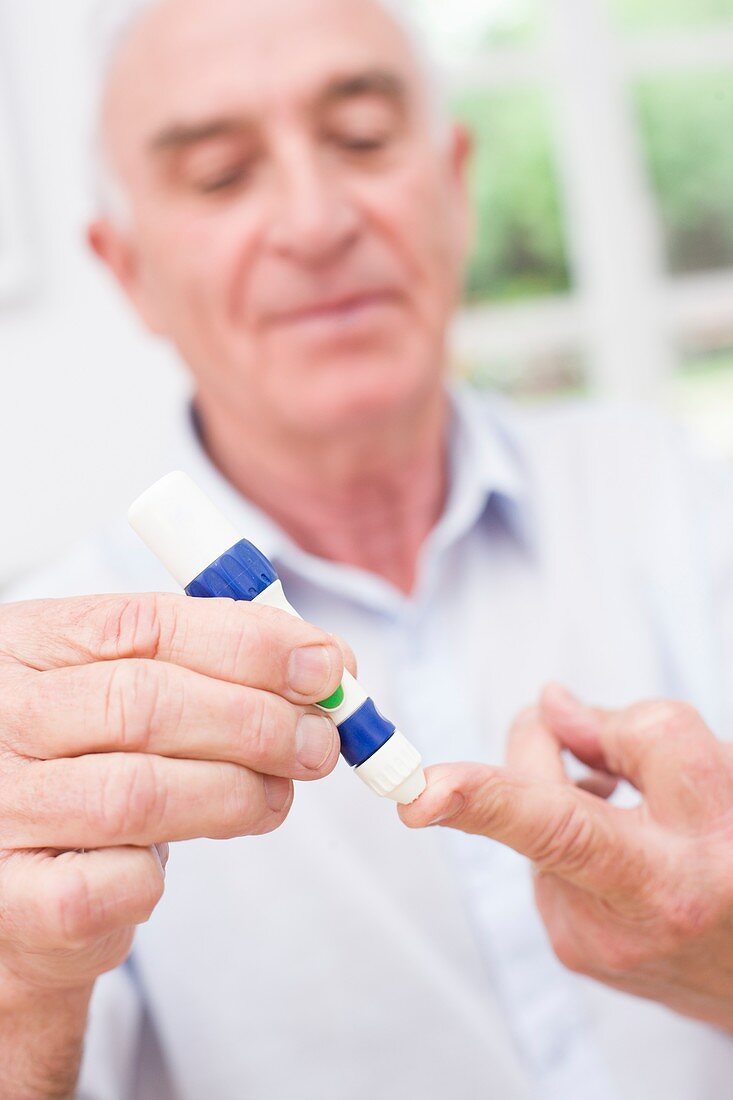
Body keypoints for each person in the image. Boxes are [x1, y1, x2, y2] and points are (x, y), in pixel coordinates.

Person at [1, 0, 733, 1096]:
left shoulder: (676, 496)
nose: (314, 219)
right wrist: (21, 994)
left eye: (359, 140)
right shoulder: (52, 713)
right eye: (217, 175)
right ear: (129, 270)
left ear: (454, 181)